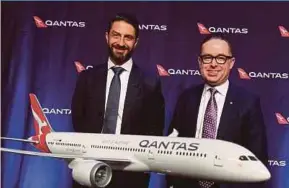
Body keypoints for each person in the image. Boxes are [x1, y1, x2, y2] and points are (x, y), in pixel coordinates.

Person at [71, 13, 165, 188]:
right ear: (107, 36)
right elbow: (78, 120)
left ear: (136, 42)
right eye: (116, 35)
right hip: (89, 170)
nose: (121, 43)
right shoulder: (87, 78)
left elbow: (154, 131)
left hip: (130, 176)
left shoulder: (150, 83)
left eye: (128, 37)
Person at [166, 34, 268, 188]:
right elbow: (172, 148)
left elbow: (257, 156)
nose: (213, 64)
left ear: (231, 63)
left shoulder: (248, 102)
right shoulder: (186, 99)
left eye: (221, 58)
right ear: (200, 61)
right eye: (207, 58)